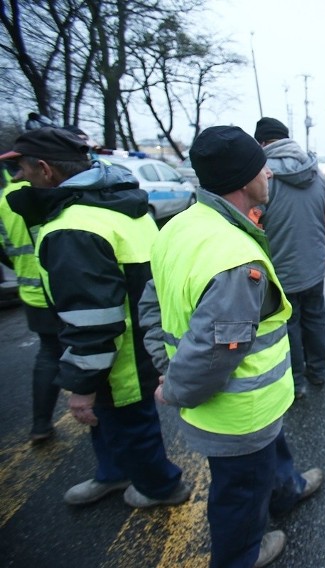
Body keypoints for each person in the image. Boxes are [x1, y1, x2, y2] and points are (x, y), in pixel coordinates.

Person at [141, 126, 323, 568]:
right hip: (238, 413)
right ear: (244, 181)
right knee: (239, 493)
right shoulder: (234, 259)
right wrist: (175, 387)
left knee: (269, 454)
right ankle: (242, 553)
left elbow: (151, 300)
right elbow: (212, 353)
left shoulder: (181, 225)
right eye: (263, 169)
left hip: (255, 410)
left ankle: (286, 490)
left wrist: (163, 360)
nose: (271, 175)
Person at [1, 127, 189, 509]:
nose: (17, 179)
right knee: (110, 420)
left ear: (45, 169)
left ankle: (161, 487)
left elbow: (93, 318)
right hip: (136, 341)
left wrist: (82, 383)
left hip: (118, 355)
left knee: (129, 422)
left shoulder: (75, 226)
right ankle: (114, 473)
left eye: (21, 169)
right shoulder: (116, 206)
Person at [254, 117, 325, 399]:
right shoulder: (317, 173)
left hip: (280, 270)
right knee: (316, 318)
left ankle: (296, 382)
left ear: (261, 143)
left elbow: (256, 224)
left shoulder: (263, 178)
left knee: (290, 324)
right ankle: (319, 371)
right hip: (315, 265)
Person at [0, 163, 62, 443]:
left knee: (49, 354)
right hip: (64, 290)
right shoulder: (55, 194)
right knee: (91, 351)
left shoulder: (4, 201)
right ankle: (97, 411)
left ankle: (41, 423)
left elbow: (4, 249)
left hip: (31, 291)